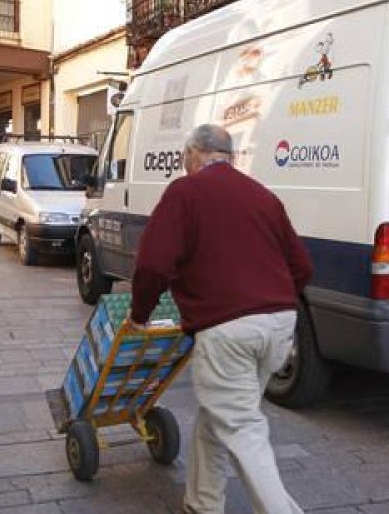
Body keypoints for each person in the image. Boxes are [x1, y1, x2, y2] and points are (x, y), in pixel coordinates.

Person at [129, 124, 312, 514]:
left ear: (193, 154)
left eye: (184, 160)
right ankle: (202, 502)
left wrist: (140, 315)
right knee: (223, 415)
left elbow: (152, 265)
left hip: (229, 330)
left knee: (242, 427)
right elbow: (302, 267)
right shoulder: (262, 195)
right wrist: (270, 299)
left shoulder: (185, 191)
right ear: (229, 157)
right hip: (279, 325)